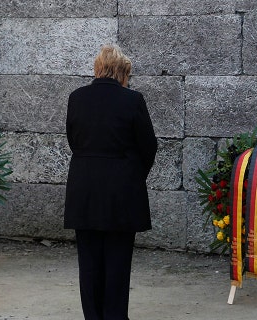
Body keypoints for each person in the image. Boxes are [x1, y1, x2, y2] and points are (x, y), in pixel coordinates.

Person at [64, 44, 158, 320]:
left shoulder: (76, 98)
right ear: (122, 73)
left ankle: (93, 316)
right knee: (117, 260)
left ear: (98, 69)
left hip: (84, 188)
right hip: (121, 190)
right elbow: (148, 146)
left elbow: (73, 139)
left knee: (89, 261)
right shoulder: (132, 100)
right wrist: (132, 174)